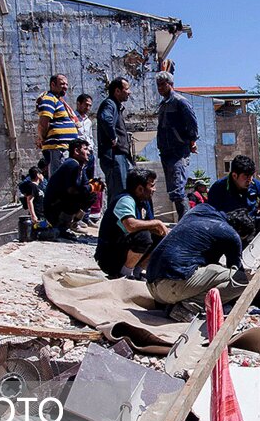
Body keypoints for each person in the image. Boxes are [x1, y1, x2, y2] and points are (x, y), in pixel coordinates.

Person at [146, 205, 255, 321]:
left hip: (152, 286)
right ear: (240, 232)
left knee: (214, 268)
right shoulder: (232, 234)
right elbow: (236, 271)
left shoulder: (200, 210)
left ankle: (173, 302)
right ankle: (188, 308)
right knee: (241, 280)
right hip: (170, 287)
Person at [95, 168, 168, 279]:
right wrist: (157, 223)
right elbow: (130, 225)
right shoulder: (125, 200)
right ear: (140, 189)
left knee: (160, 236)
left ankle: (137, 271)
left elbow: (151, 225)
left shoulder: (145, 202)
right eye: (152, 186)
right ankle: (125, 273)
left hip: (124, 250)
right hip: (109, 258)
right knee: (143, 236)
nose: (154, 189)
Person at [156, 71, 199, 220]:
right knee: (173, 192)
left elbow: (192, 124)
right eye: (158, 85)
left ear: (171, 84)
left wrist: (191, 141)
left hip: (178, 151)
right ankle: (184, 222)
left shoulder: (180, 101)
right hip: (166, 151)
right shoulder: (163, 104)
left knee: (178, 189)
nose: (160, 88)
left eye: (163, 84)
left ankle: (186, 224)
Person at [207, 155, 260, 229]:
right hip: (234, 225)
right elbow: (217, 217)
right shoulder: (218, 189)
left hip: (255, 220)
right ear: (234, 176)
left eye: (251, 175)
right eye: (246, 176)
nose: (250, 180)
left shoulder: (253, 183)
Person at [43, 139, 99, 239]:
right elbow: (72, 190)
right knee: (79, 197)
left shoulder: (80, 166)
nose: (88, 152)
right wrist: (91, 187)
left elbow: (86, 184)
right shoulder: (71, 165)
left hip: (61, 203)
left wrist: (94, 186)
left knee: (91, 196)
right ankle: (61, 226)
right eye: (85, 149)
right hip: (54, 207)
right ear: (76, 151)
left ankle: (71, 224)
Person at [96, 77, 135, 207]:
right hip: (114, 156)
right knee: (118, 193)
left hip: (120, 156)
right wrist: (113, 138)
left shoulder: (116, 106)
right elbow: (105, 120)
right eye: (127, 89)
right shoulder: (109, 104)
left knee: (123, 191)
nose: (129, 92)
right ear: (117, 91)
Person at [37, 74, 78, 177]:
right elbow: (44, 122)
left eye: (66, 84)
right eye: (62, 84)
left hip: (65, 148)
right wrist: (42, 138)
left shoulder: (60, 101)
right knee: (59, 179)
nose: (65, 87)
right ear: (53, 85)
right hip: (57, 148)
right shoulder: (49, 99)